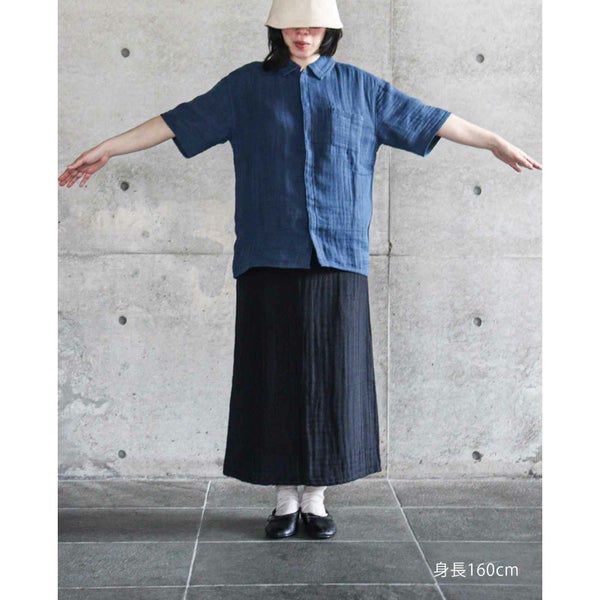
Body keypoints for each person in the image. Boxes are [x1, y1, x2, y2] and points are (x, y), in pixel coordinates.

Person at [58, 0, 542, 541]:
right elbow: (178, 121)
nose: (302, 34)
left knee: (334, 380)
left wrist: (495, 141)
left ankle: (316, 497)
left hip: (338, 256)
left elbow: (430, 119)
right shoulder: (247, 87)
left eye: (312, 26)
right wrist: (108, 148)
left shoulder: (361, 89)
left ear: (329, 30)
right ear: (277, 29)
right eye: (291, 25)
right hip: (268, 253)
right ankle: (284, 499)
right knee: (273, 378)